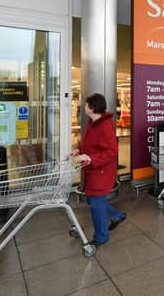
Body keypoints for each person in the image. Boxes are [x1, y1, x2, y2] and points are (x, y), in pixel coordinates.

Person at [70, 93, 124, 246]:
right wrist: (79, 151)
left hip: (101, 171)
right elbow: (88, 143)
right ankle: (116, 216)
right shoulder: (90, 122)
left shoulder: (105, 126)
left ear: (92, 108)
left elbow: (112, 151)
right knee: (91, 199)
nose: (84, 106)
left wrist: (91, 159)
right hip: (92, 170)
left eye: (86, 105)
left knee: (96, 204)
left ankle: (101, 236)